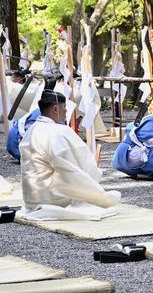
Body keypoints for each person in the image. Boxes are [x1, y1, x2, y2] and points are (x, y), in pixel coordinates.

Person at [19, 89, 121, 220]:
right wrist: (93, 174)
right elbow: (77, 164)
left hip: (31, 196)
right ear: (55, 109)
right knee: (87, 185)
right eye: (64, 108)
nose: (66, 111)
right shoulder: (58, 131)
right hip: (50, 198)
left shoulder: (31, 130)